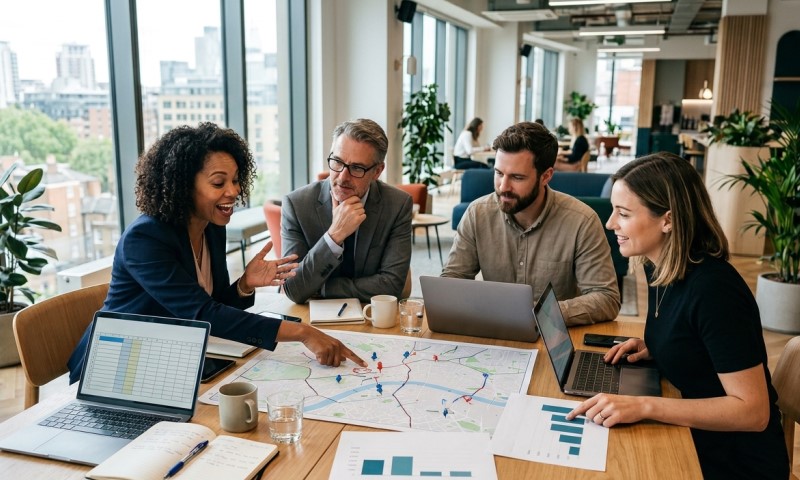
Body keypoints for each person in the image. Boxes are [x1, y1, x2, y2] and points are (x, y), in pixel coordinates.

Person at [67, 123, 365, 383]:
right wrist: (303, 333)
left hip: (170, 360)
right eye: (218, 182)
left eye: (236, 180)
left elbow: (214, 304)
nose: (234, 191)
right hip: (113, 366)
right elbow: (203, 314)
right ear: (184, 186)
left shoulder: (210, 226)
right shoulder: (145, 238)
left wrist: (244, 285)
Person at [566, 152, 789, 479]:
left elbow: (753, 412)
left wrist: (644, 406)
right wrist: (661, 347)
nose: (610, 223)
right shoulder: (661, 267)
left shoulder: (715, 291)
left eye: (623, 213)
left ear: (667, 220)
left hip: (733, 461)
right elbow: (698, 341)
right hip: (692, 435)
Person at [442, 121, 620, 326]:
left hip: (553, 338)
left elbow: (606, 298)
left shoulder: (582, 221)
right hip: (493, 334)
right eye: (499, 173)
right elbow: (452, 280)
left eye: (517, 177)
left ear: (546, 176)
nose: (503, 187)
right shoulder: (477, 214)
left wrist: (541, 314)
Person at [281, 118, 412, 304]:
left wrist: (322, 287)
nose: (342, 177)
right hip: (310, 321)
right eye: (337, 161)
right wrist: (334, 235)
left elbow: (392, 285)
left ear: (377, 171)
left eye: (357, 168)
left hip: (372, 319)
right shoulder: (297, 205)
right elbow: (294, 289)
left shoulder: (397, 205)